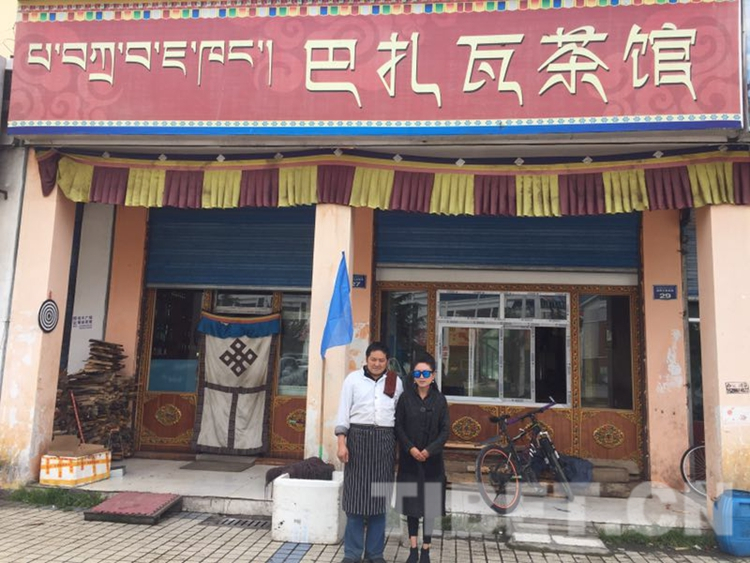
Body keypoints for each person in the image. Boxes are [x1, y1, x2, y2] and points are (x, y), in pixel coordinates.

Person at [335, 342, 404, 563]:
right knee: (354, 501)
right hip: (357, 441)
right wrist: (341, 443)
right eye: (373, 359)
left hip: (385, 442)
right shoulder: (352, 380)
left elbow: (400, 415)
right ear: (366, 359)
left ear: (387, 362)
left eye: (381, 360)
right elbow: (343, 412)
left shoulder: (395, 381)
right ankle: (352, 554)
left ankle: (375, 554)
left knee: (379, 502)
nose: (377, 364)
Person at [394, 353, 450, 563]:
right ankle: (413, 549)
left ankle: (426, 549)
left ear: (433, 375)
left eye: (426, 373)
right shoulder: (405, 398)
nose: (422, 377)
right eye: (418, 373)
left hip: (432, 462)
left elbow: (445, 430)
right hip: (409, 460)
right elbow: (398, 426)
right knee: (412, 507)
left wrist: (429, 450)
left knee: (429, 507)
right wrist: (410, 448)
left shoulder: (440, 400)